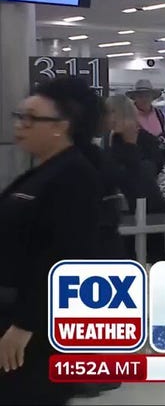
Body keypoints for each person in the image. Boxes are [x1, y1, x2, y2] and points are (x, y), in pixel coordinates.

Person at [0, 77, 105, 404]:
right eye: (19, 116)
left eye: (32, 118)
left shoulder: (74, 176)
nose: (21, 125)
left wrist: (24, 325)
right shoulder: (40, 172)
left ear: (61, 126)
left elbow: (66, 257)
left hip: (35, 327)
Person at [104, 95, 165, 263]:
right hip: (129, 207)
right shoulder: (113, 138)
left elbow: (145, 170)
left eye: (110, 112)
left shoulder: (141, 138)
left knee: (152, 254)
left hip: (146, 206)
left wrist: (130, 147)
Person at [127, 79, 165, 153]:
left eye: (147, 95)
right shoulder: (128, 115)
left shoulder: (159, 115)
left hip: (159, 159)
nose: (144, 99)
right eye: (140, 96)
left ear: (152, 97)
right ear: (135, 97)